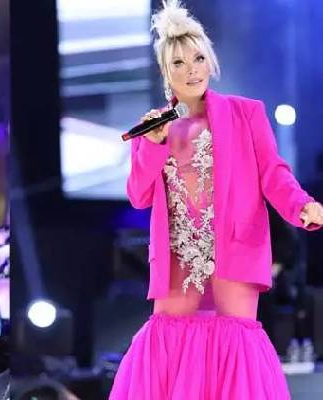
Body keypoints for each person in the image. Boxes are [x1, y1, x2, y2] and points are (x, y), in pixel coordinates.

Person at [109, 1, 323, 399]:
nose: (191, 70)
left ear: (210, 62)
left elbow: (273, 173)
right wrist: (152, 145)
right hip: (179, 254)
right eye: (178, 63)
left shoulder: (245, 114)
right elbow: (138, 196)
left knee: (235, 346)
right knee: (171, 346)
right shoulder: (153, 127)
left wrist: (301, 205)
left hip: (235, 247)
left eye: (198, 58)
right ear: (165, 72)